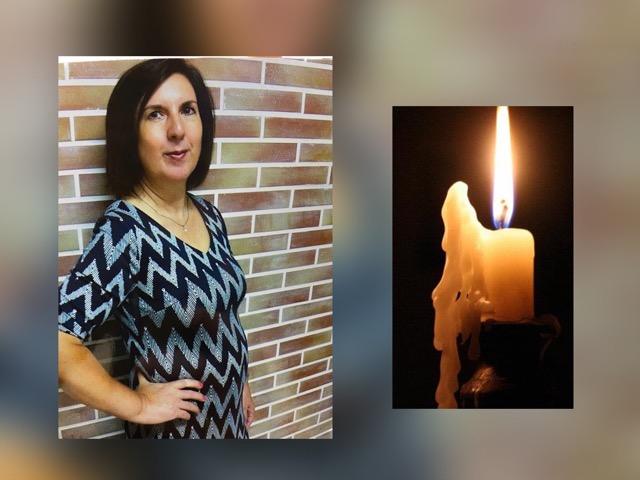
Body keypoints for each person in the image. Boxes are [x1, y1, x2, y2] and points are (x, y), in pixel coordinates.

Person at [58, 58, 254, 439]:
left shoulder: (210, 216)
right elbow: (58, 345)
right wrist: (140, 405)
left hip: (230, 422)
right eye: (155, 114)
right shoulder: (125, 231)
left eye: (188, 110)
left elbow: (223, 315)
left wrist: (240, 380)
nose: (177, 130)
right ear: (130, 133)